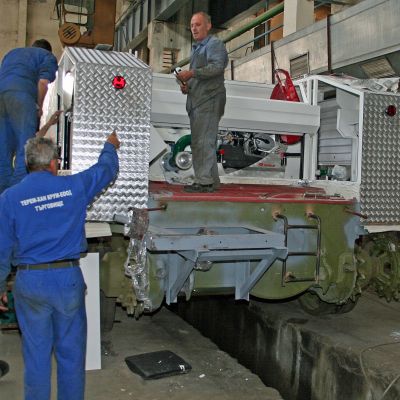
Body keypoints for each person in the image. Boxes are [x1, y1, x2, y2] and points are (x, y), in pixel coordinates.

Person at [0, 132, 120, 400]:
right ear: (54, 163)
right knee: (71, 355)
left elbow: (2, 248)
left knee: (36, 357)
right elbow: (104, 171)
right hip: (66, 280)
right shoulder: (73, 187)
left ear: (29, 164)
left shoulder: (9, 198)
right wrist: (109, 147)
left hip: (29, 282)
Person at [176, 11, 228, 193]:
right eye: (191, 25)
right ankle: (211, 181)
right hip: (200, 100)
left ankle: (204, 182)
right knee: (205, 141)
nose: (194, 28)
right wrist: (187, 86)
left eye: (198, 24)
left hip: (209, 99)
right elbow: (201, 75)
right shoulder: (197, 48)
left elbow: (217, 67)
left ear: (208, 25)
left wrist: (191, 73)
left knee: (202, 142)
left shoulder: (214, 44)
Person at [0, 39, 58, 193]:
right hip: (22, 95)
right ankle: (19, 191)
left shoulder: (11, 53)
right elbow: (43, 83)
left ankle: (3, 195)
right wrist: (38, 107)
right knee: (25, 147)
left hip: (1, 96)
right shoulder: (47, 56)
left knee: (3, 147)